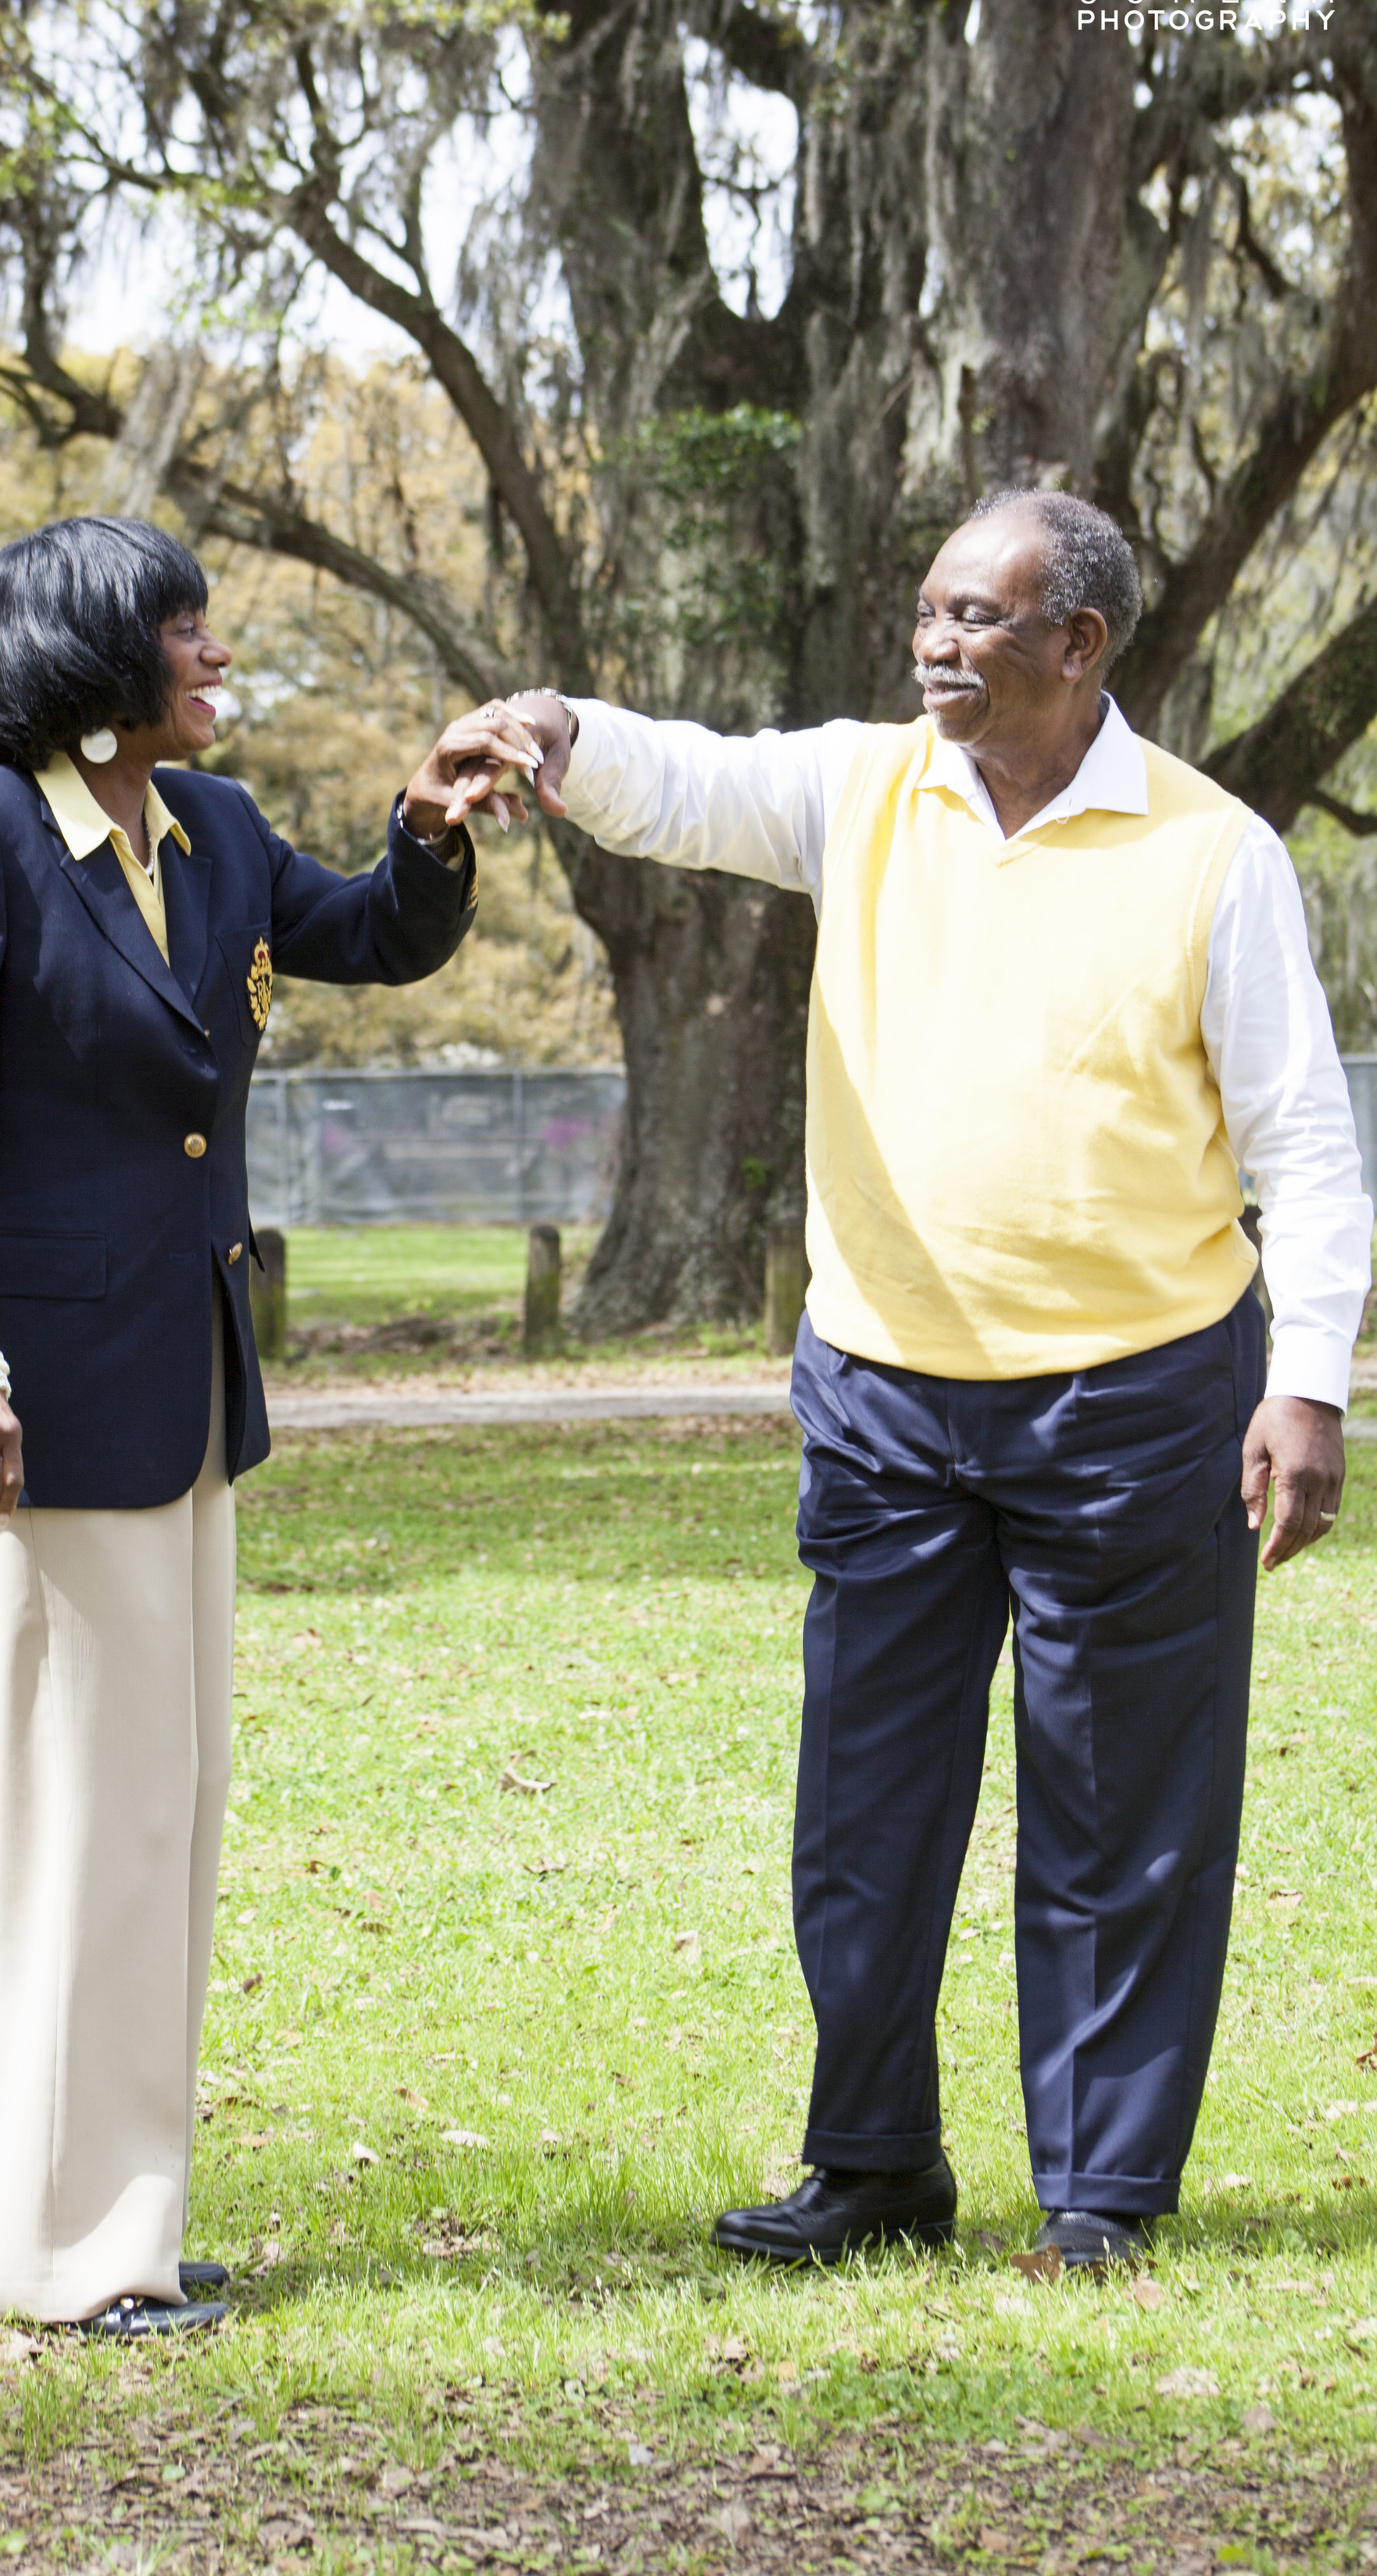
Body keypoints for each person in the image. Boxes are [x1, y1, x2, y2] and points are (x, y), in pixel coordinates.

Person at [452, 491, 1372, 2270]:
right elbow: (692, 782)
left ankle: (1097, 2192)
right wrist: (555, 734)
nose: (936, 645)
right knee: (862, 1810)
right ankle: (871, 2162)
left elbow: (1307, 1151)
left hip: (1136, 1397)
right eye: (929, 611)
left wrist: (1309, 1383)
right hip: (883, 1396)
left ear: (1078, 647)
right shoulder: (864, 786)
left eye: (978, 619)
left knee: (1117, 1816)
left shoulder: (1209, 853)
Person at [0, 514, 491, 2334]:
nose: (218, 664)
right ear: (94, 660)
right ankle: (60, 2261)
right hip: (34, 1417)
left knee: (163, 1820)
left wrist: (427, 824)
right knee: (82, 1827)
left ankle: (118, 2222)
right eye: (190, 639)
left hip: (189, 1399)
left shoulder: (209, 835)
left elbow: (367, 938)